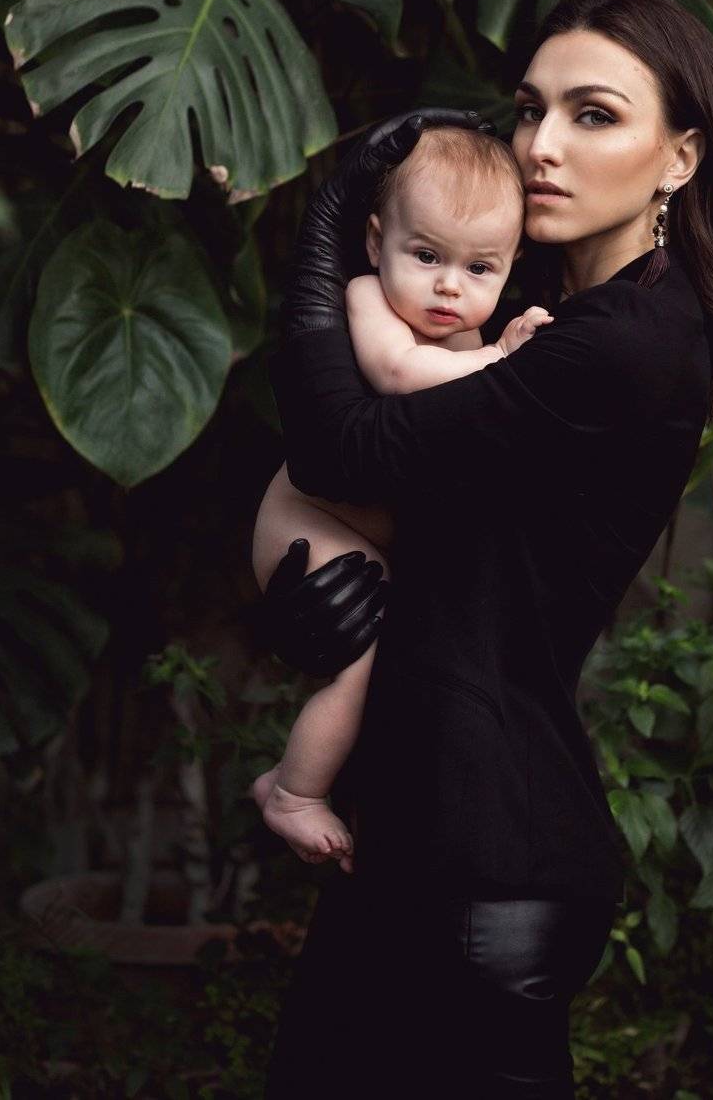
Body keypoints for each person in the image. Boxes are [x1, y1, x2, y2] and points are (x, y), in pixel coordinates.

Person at [255, 0, 713, 1098]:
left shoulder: (623, 343)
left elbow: (340, 449)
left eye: (593, 114)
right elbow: (444, 537)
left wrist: (337, 213)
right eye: (530, 108)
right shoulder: (544, 310)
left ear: (680, 158)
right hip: (433, 832)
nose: (541, 145)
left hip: (481, 858)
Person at [249, 127, 553, 869]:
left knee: (407, 668)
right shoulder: (369, 302)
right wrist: (500, 360)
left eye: (479, 267)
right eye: (426, 256)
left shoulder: (475, 336)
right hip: (308, 519)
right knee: (361, 667)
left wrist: (496, 350)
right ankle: (290, 792)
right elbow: (396, 373)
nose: (449, 286)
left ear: (511, 265)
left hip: (377, 537)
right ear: (375, 241)